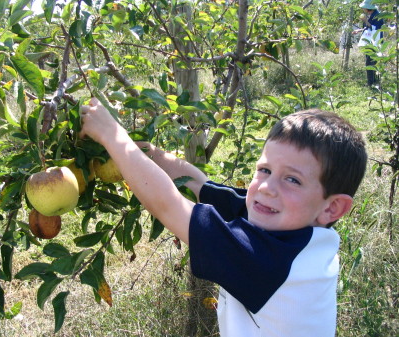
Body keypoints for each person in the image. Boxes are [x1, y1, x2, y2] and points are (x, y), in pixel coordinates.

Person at [80, 99, 367, 337]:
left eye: (292, 179)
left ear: (332, 208)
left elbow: (169, 206)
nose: (266, 187)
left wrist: (112, 135)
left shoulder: (271, 261)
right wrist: (150, 153)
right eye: (264, 170)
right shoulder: (292, 228)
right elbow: (199, 186)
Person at [353, 0, 384, 86]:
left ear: (368, 8)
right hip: (370, 42)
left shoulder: (377, 16)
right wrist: (359, 30)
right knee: (371, 62)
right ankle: (374, 82)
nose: (363, 9)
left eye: (364, 8)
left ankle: (371, 83)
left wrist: (365, 21)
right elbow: (368, 28)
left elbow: (374, 29)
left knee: (370, 62)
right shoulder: (372, 15)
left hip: (374, 42)